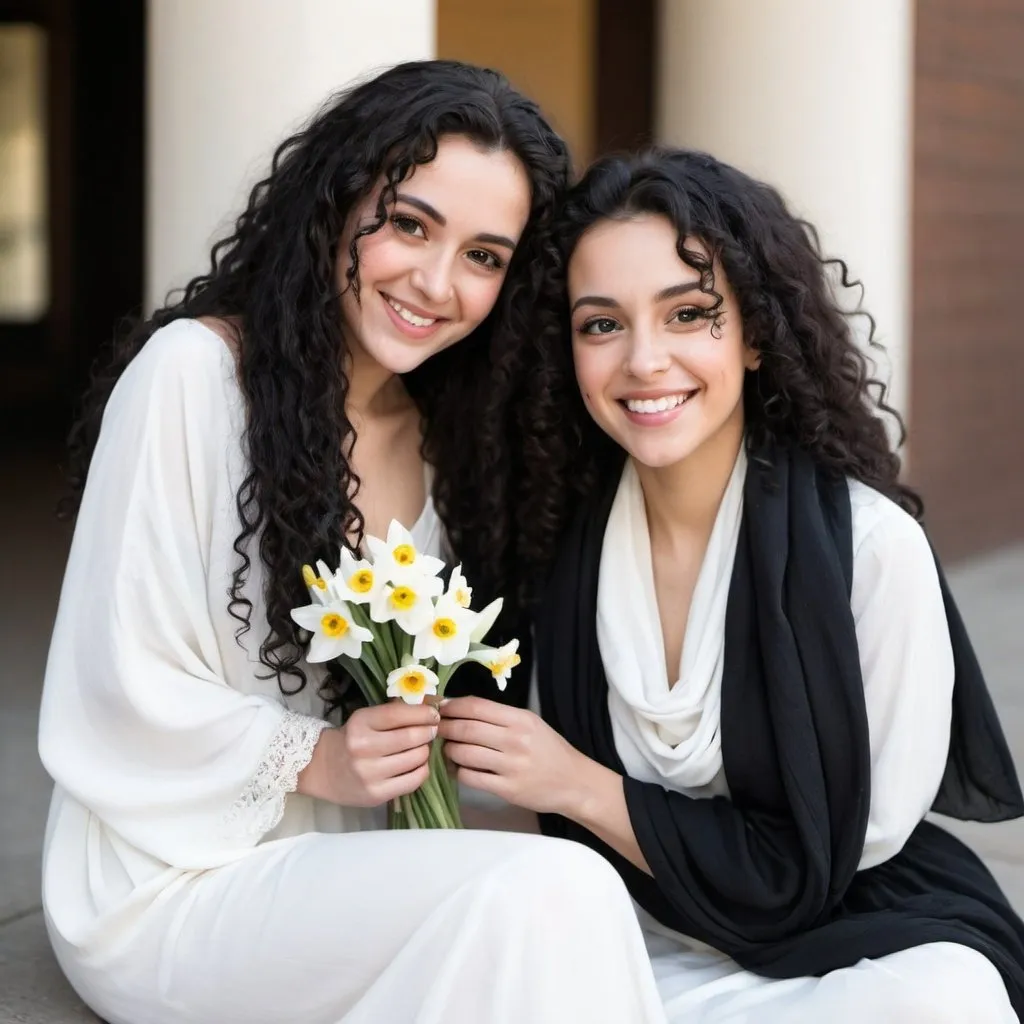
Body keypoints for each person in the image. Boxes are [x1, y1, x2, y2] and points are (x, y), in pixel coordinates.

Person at [38, 61, 669, 1024]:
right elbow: (115, 679)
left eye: (485, 257)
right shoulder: (194, 379)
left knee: (552, 914)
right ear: (335, 203)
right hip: (170, 882)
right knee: (556, 893)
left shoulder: (448, 439)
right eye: (410, 224)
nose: (435, 281)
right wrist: (315, 759)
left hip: (353, 865)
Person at [439, 147, 1024, 1022]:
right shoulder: (554, 542)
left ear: (754, 336)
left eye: (688, 314)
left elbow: (844, 847)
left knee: (945, 1006)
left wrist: (579, 786)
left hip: (844, 933)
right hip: (623, 919)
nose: (644, 360)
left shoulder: (871, 550)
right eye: (602, 324)